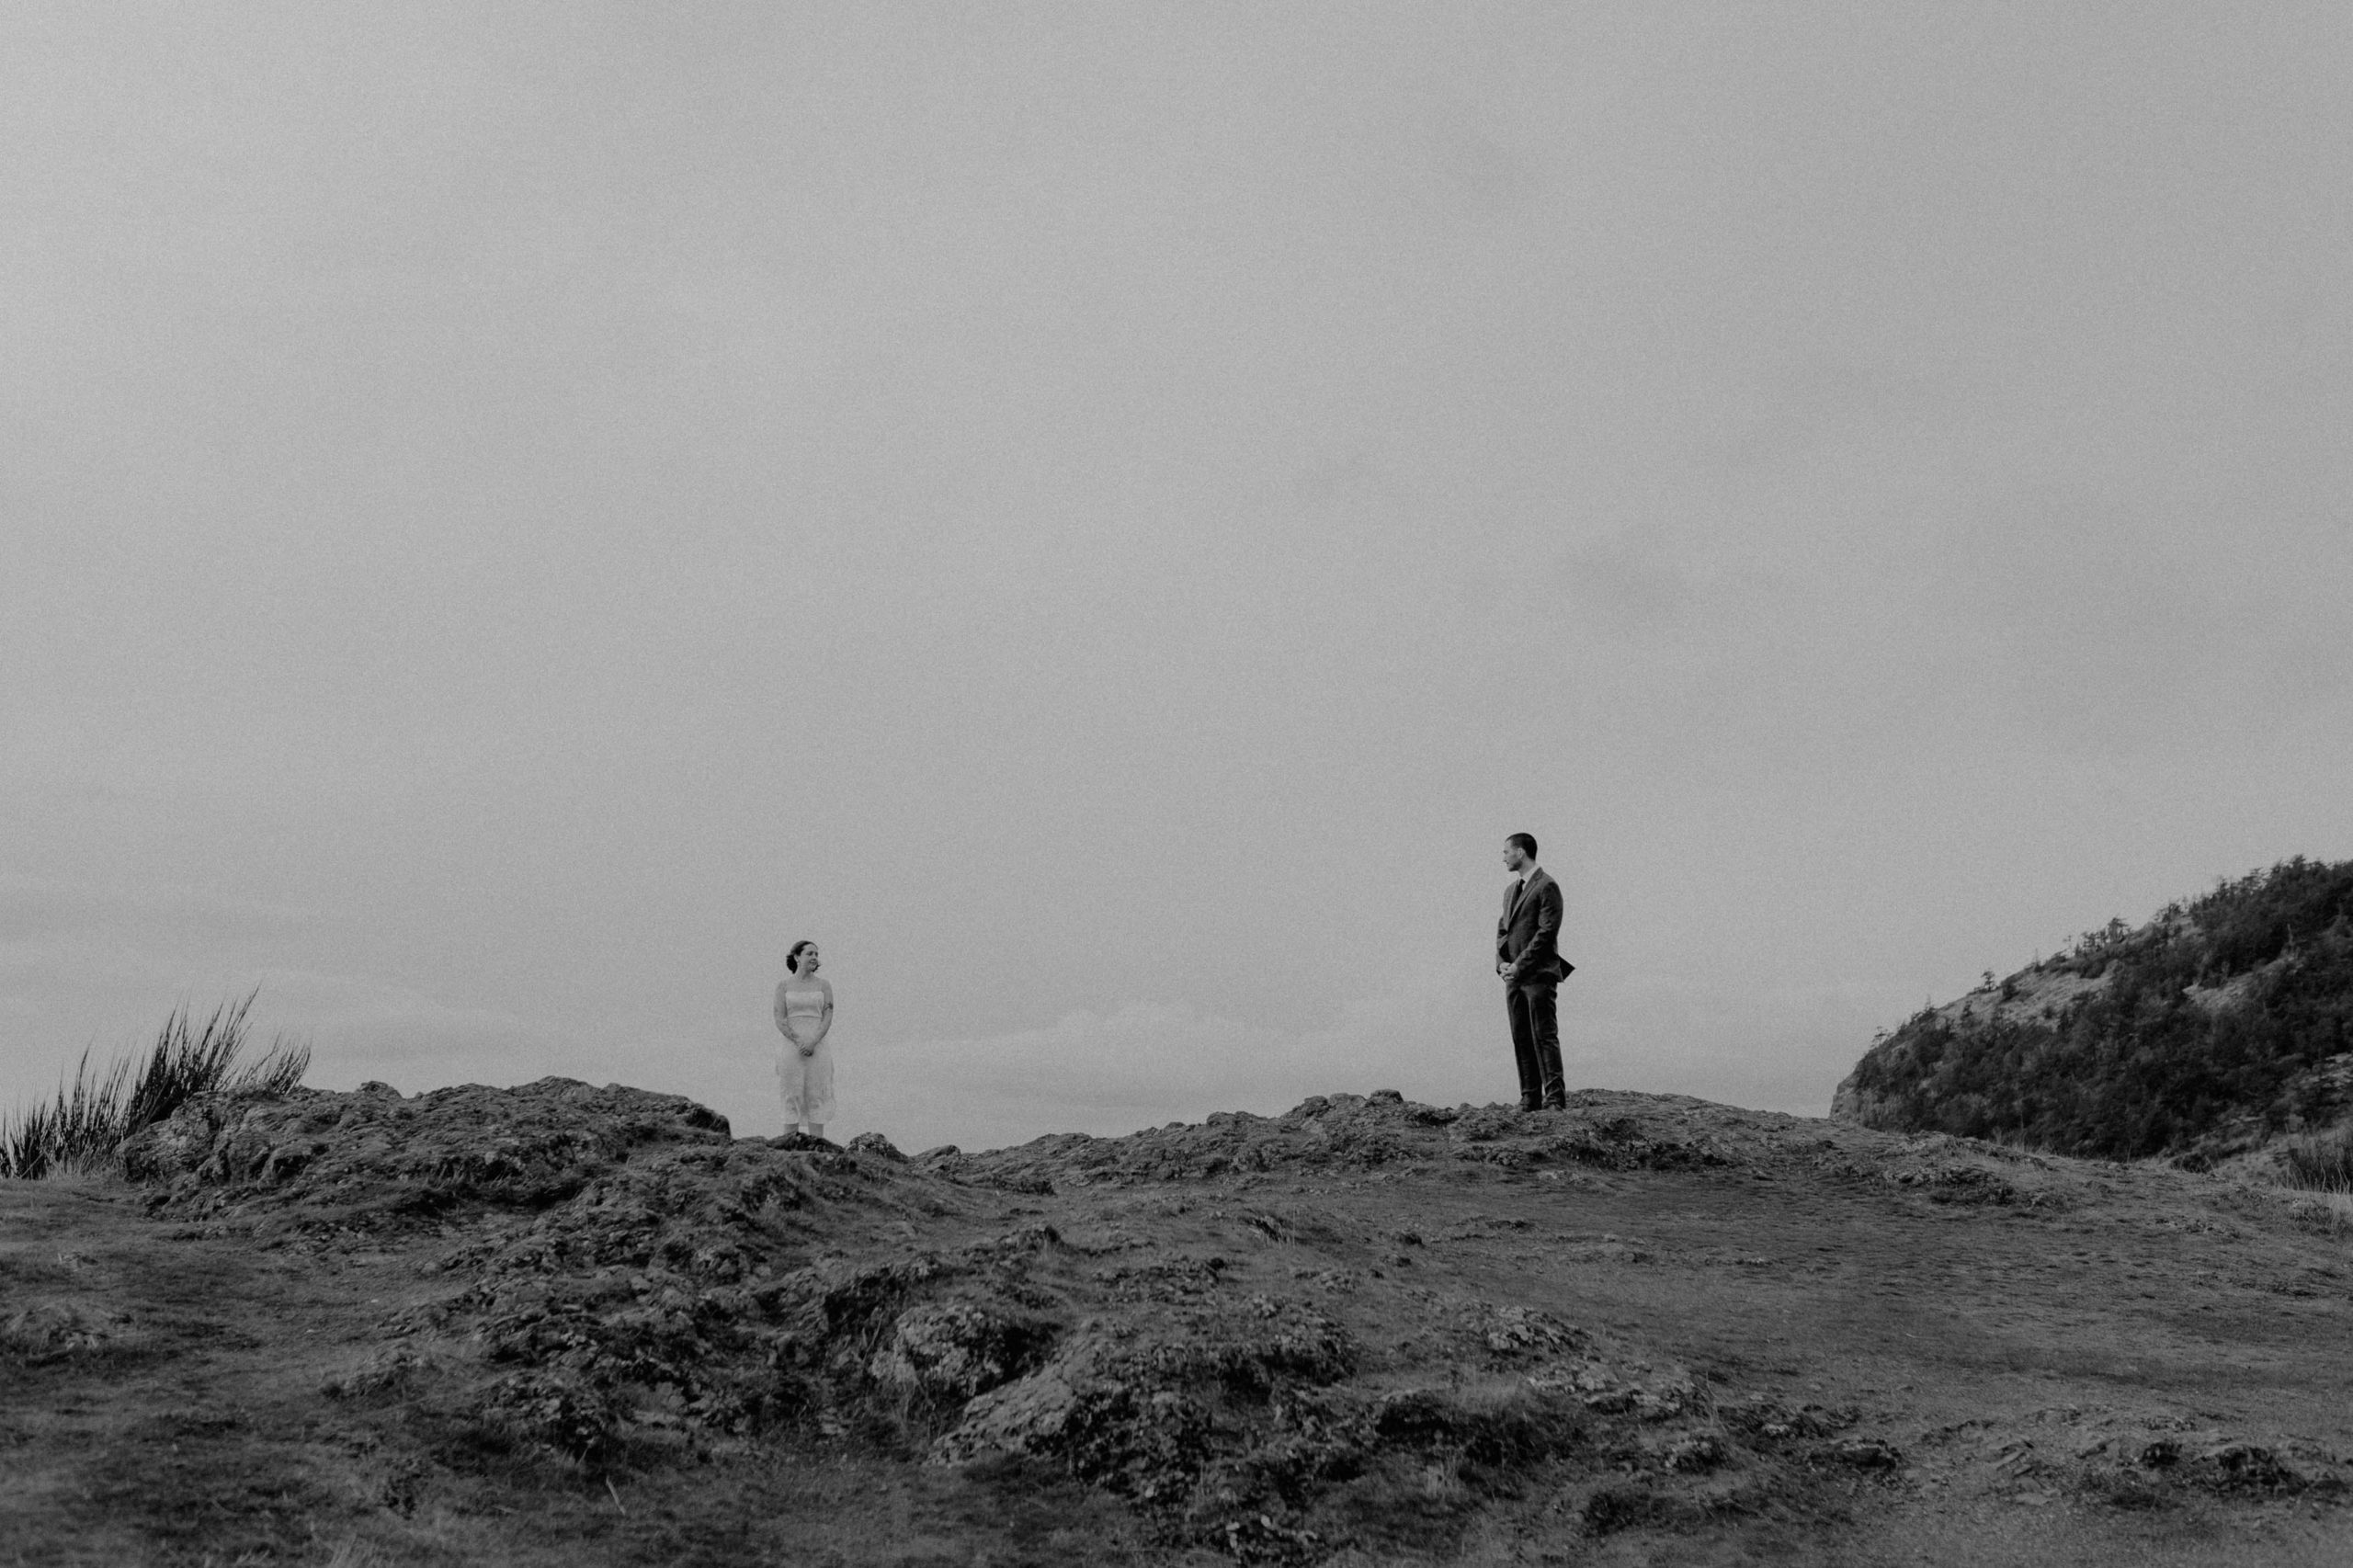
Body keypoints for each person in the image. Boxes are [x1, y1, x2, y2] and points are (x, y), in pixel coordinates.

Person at [1496, 833, 1573, 1111]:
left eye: (1506, 852)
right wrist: (1502, 964)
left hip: (1539, 973)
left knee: (1544, 1035)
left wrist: (1520, 965)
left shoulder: (1547, 886)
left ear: (1520, 852)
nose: (1502, 857)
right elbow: (1502, 931)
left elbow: (1546, 932)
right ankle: (1529, 1097)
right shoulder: (1509, 892)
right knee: (1521, 1035)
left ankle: (1555, 1099)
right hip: (1514, 977)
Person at [774, 939, 835, 1139]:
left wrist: (813, 1041)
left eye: (816, 954)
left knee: (816, 1092)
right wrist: (798, 1041)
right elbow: (779, 1017)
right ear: (797, 957)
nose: (815, 958)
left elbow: (827, 1016)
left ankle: (817, 1144)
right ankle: (789, 1142)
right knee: (791, 1092)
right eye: (810, 953)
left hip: (817, 1045)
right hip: (791, 1046)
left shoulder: (824, 985)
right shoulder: (783, 986)